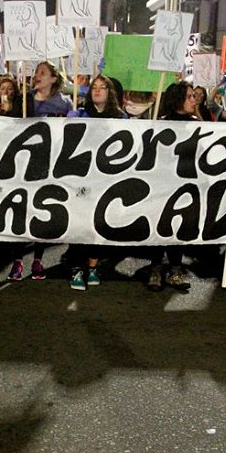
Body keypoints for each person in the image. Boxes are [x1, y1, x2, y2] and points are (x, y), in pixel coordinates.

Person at [7, 61, 73, 281]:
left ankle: (38, 260)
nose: (37, 75)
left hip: (50, 163)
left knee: (43, 211)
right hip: (24, 162)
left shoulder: (64, 103)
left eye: (42, 73)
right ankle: (17, 261)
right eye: (36, 72)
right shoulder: (25, 99)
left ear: (53, 78)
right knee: (21, 210)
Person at [67, 75, 125, 291]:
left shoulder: (120, 117)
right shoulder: (80, 114)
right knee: (79, 222)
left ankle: (93, 266)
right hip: (82, 177)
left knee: (98, 223)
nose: (97, 91)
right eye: (94, 87)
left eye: (102, 87)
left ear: (110, 92)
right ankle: (76, 268)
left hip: (105, 179)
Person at [145, 81, 199, 291]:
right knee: (161, 227)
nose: (194, 100)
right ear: (178, 99)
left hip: (186, 184)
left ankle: (175, 269)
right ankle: (156, 269)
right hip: (162, 185)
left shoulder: (197, 123)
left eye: (194, 96)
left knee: (179, 227)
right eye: (190, 96)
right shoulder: (161, 123)